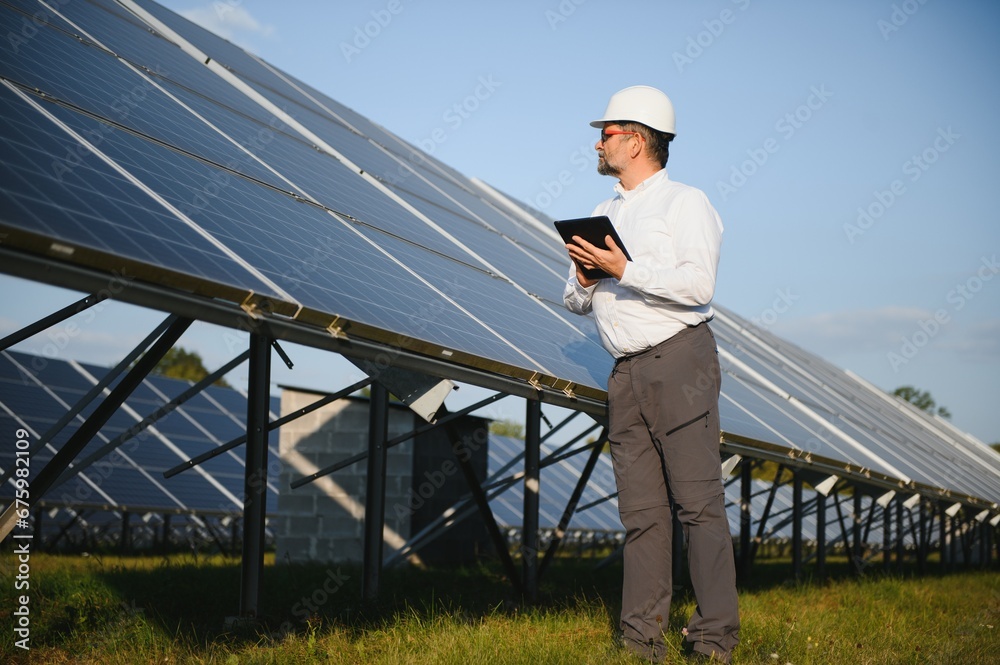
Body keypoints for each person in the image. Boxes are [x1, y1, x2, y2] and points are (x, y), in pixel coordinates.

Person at [562, 85, 739, 663]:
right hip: (625, 373)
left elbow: (698, 286)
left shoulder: (686, 203)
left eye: (607, 133)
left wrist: (625, 268)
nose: (598, 141)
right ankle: (641, 641)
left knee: (698, 505)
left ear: (636, 140)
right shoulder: (602, 213)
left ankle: (713, 639)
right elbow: (573, 300)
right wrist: (588, 281)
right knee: (641, 514)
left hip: (679, 359)